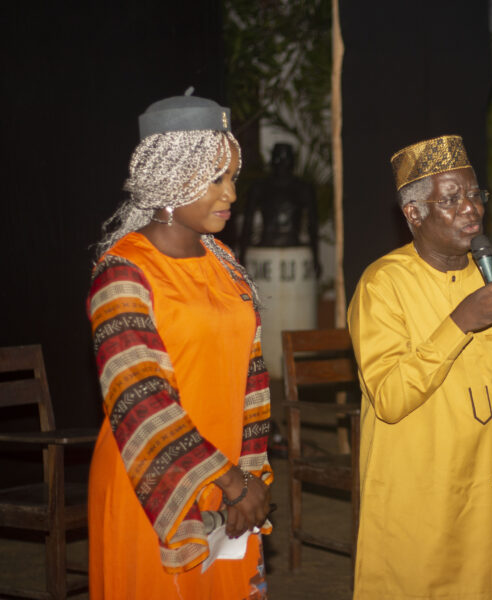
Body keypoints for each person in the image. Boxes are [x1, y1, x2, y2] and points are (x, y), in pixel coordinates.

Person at [86, 89, 274, 599]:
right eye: (217, 179)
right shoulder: (124, 273)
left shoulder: (225, 262)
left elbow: (251, 379)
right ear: (169, 175)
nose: (231, 194)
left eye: (232, 177)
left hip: (232, 483)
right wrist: (234, 482)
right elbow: (140, 401)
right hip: (154, 484)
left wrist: (248, 481)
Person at [348, 135, 492, 599]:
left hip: (488, 502)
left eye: (475, 195)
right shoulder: (383, 286)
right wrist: (460, 322)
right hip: (418, 504)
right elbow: (392, 399)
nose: (472, 210)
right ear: (414, 214)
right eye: (452, 199)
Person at [238, 142, 321, 278]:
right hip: (266, 244)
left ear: (292, 162)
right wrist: (242, 257)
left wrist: (316, 258)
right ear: (272, 161)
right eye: (278, 159)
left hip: (293, 244)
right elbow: (247, 224)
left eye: (286, 159)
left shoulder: (303, 188)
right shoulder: (260, 188)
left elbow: (313, 225)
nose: (282, 164)